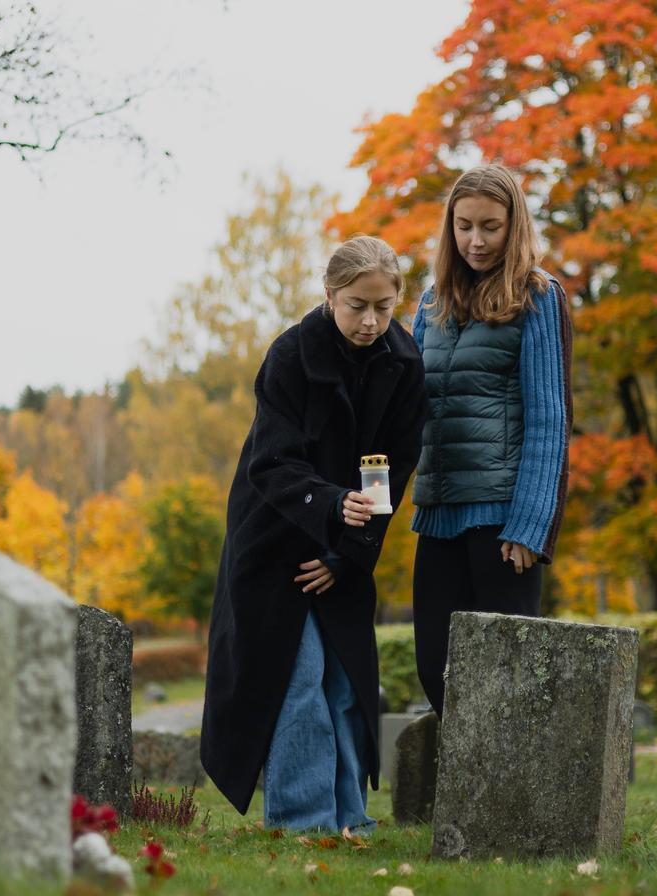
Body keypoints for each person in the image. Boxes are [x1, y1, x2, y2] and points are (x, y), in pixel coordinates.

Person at [200, 235, 427, 833]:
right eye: (357, 305)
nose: (372, 320)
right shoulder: (291, 355)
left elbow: (393, 470)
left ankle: (350, 819)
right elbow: (271, 463)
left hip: (345, 544)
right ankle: (304, 823)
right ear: (330, 296)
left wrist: (347, 556)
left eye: (384, 305)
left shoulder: (404, 363)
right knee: (295, 679)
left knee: (345, 682)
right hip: (272, 540)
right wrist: (331, 509)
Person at [410, 164, 573, 716]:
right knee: (435, 669)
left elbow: (550, 419)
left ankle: (514, 804)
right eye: (464, 226)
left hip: (504, 524)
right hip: (438, 514)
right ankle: (467, 801)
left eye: (490, 226)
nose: (476, 240)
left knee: (509, 680)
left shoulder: (538, 297)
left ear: (514, 226)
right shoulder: (430, 303)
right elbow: (405, 407)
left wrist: (531, 525)